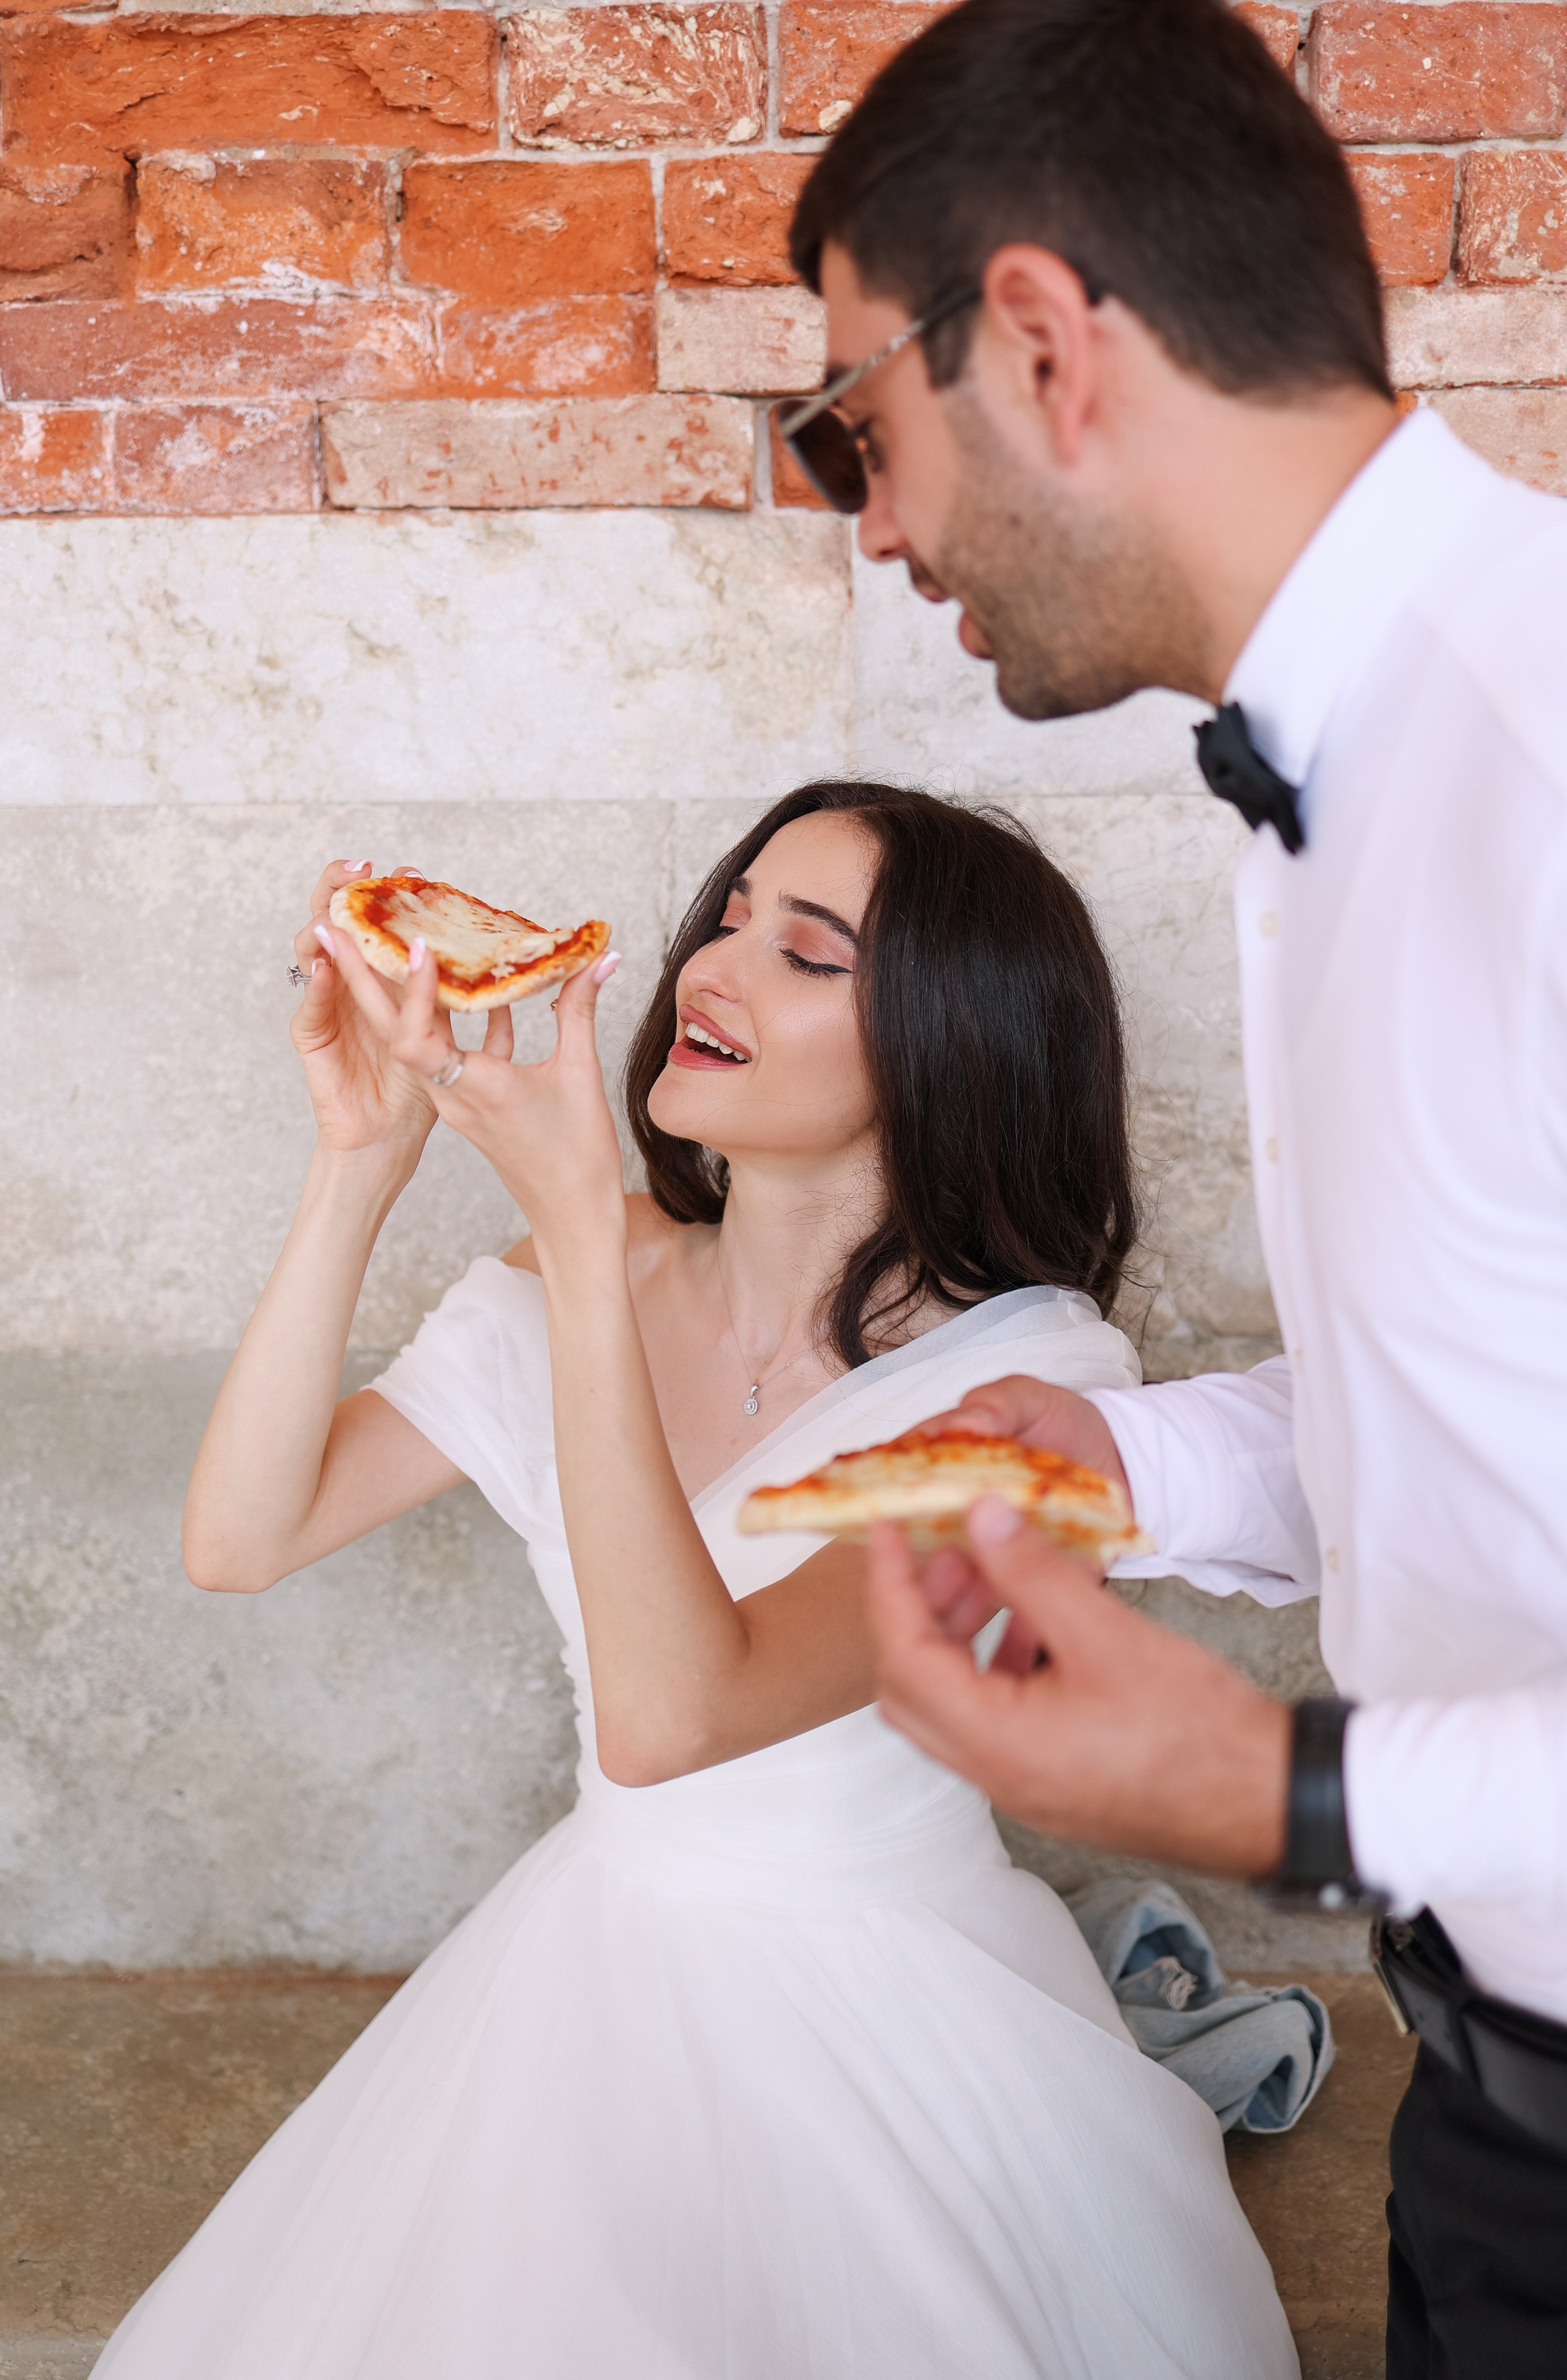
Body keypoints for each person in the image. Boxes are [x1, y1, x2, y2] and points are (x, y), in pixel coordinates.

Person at [91, 783, 1297, 2379]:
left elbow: (674, 1713)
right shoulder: (572, 1277)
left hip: (893, 2003)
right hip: (580, 1956)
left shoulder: (1037, 1385)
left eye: (806, 956)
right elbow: (239, 1539)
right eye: (727, 917)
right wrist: (358, 1161)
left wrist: (584, 1233)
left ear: (950, 1043)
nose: (712, 969)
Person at [775, 1, 1567, 2372]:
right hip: (1491, 2097)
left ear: (1032, 339)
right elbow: (1477, 1407)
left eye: (851, 430)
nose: (875, 521)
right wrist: (1123, 1455)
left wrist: (1264, 1783)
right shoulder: (1336, 768)